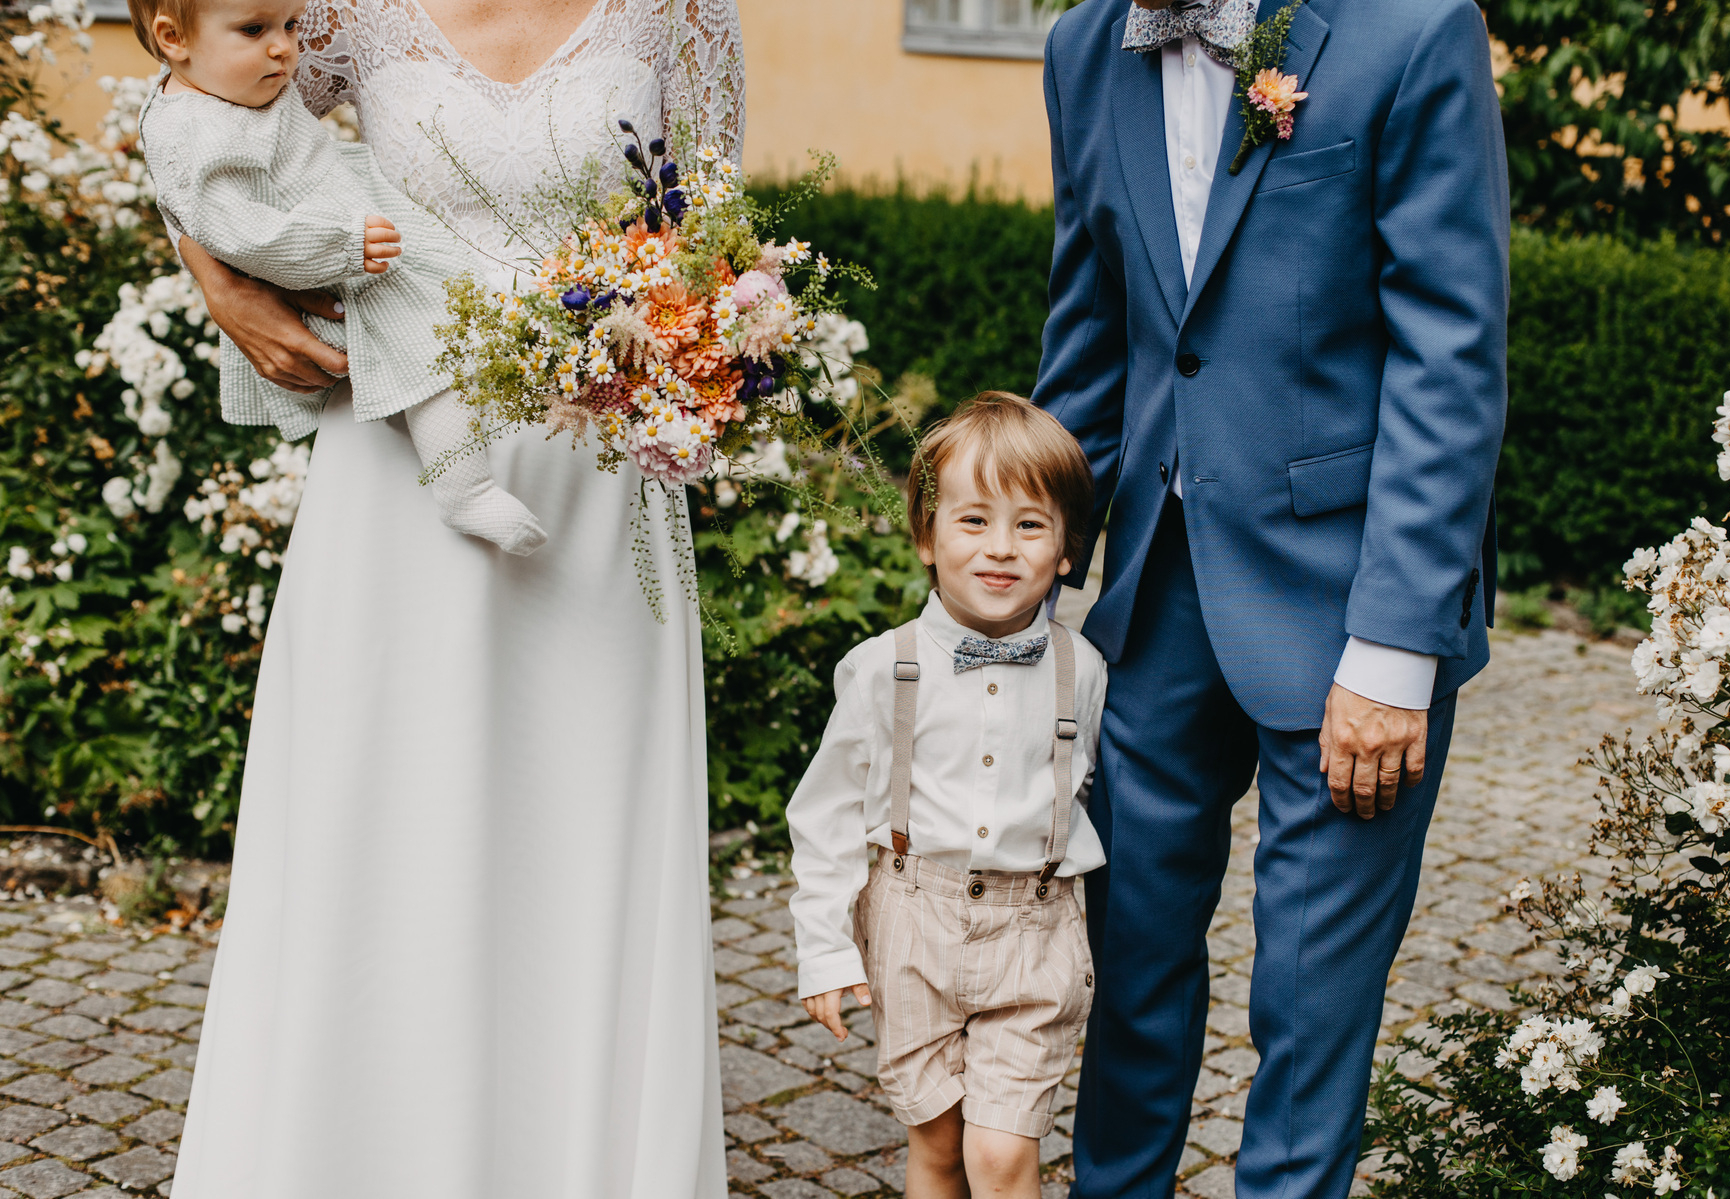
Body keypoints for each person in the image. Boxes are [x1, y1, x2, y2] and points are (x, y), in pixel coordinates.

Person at [151, 0, 745, 1194]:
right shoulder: (338, 9)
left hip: (598, 481)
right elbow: (204, 124)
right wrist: (220, 284)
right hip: (395, 466)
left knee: (579, 832)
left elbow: (711, 232)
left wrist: (709, 349)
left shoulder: (684, 10)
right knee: (390, 808)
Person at [1032, 0, 1510, 1196]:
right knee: (1123, 977)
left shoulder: (1412, 32)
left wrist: (1395, 647)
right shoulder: (1083, 48)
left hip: (1347, 611)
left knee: (1306, 1023)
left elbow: (1448, 354)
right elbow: (1089, 332)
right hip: (1150, 601)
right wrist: (1011, 610)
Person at [787, 394, 1107, 1199]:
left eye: (1030, 525)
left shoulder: (1086, 670)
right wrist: (824, 948)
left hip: (1033, 930)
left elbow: (1081, 782)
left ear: (1066, 549)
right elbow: (823, 815)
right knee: (936, 1148)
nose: (1000, 548)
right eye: (972, 521)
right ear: (927, 538)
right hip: (910, 924)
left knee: (999, 1154)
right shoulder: (878, 666)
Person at [135, 0, 547, 555]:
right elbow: (240, 234)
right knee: (426, 350)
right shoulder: (191, 131)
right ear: (172, 38)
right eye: (255, 29)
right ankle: (464, 488)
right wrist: (341, 246)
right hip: (327, 275)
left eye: (291, 25)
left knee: (447, 305)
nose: (283, 48)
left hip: (354, 240)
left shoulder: (227, 78)